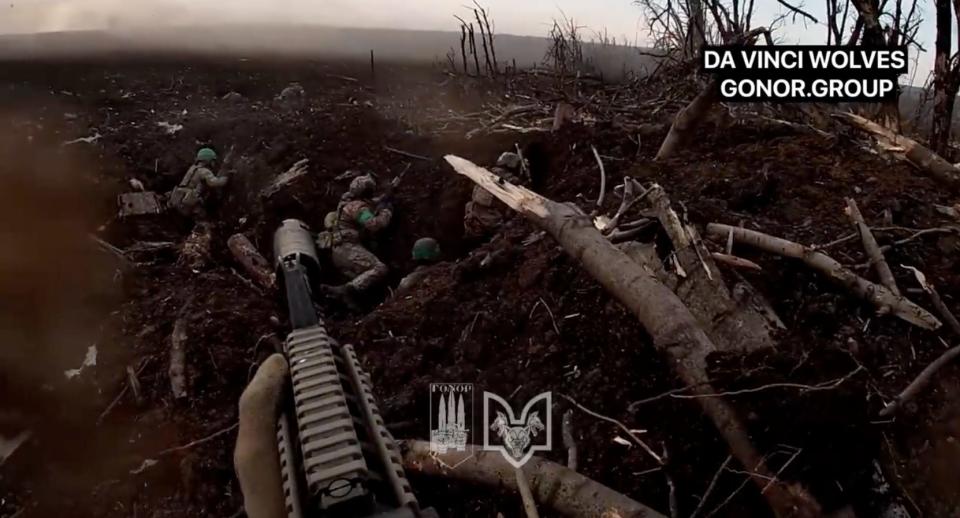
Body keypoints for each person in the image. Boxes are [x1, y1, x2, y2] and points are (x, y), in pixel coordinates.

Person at [319, 174, 393, 302]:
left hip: (340, 251)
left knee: (367, 281)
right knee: (379, 269)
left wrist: (386, 196)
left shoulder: (347, 203)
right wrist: (386, 211)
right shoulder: (357, 207)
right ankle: (345, 290)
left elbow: (373, 202)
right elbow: (373, 225)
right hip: (348, 250)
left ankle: (350, 302)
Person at [463, 151, 525, 240]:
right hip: (489, 217)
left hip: (474, 212)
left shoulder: (487, 172)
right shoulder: (504, 176)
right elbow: (518, 187)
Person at [168, 147, 229, 218]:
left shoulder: (193, 168)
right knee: (204, 217)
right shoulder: (204, 171)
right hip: (188, 201)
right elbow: (214, 183)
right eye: (213, 160)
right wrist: (226, 177)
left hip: (179, 197)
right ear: (207, 160)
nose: (214, 163)